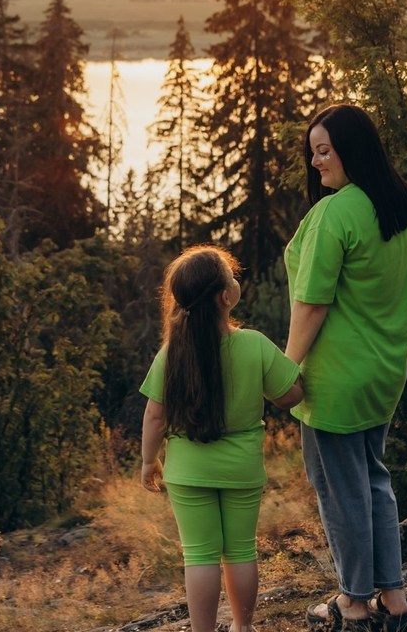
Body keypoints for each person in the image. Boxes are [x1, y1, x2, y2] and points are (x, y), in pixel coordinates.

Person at [285, 104, 407, 632]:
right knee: (372, 480)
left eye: (325, 150)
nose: (317, 162)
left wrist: (284, 369)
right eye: (313, 151)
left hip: (337, 376)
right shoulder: (404, 206)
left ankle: (355, 602)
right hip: (385, 370)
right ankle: (395, 598)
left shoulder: (336, 213)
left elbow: (312, 304)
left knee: (341, 489)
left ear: (353, 149)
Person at [140, 245, 304, 632]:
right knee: (241, 551)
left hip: (187, 471)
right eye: (232, 276)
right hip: (242, 469)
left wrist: (149, 461)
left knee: (199, 556)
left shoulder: (172, 353)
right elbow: (291, 395)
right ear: (224, 296)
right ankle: (243, 628)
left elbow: (155, 414)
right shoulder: (255, 345)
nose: (236, 281)